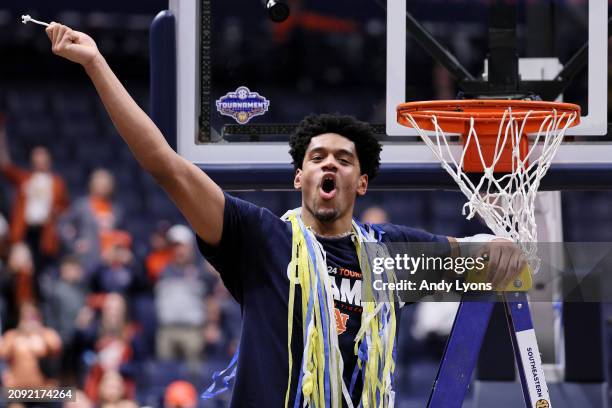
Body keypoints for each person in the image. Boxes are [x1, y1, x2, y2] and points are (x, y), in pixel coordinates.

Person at [44, 23, 526, 407]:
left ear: (360, 183)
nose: (329, 163)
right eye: (317, 158)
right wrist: (96, 64)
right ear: (300, 179)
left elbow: (479, 259)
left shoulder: (389, 254)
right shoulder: (260, 239)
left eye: (343, 158)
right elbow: (166, 167)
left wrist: (499, 247)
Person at [0, 121, 70, 274]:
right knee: (23, 269)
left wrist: (54, 214)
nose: (39, 159)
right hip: (25, 230)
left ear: (49, 159)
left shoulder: (57, 182)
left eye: (42, 156)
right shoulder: (25, 178)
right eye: (36, 156)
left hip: (46, 232)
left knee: (42, 269)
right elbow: (5, 166)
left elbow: (65, 208)